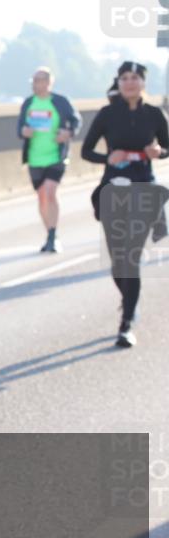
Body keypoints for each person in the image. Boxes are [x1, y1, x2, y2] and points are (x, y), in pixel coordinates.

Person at [81, 61, 169, 348]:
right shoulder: (108, 113)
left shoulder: (155, 114)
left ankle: (127, 322)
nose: (129, 82)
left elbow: (168, 148)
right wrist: (109, 158)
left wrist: (159, 151)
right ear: (118, 82)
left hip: (143, 185)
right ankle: (128, 299)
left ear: (143, 83)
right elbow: (86, 151)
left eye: (135, 78)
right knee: (118, 259)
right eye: (124, 78)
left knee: (131, 257)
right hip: (113, 188)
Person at [17, 67, 82, 253]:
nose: (36, 84)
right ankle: (49, 233)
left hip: (56, 155)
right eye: (34, 80)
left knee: (50, 191)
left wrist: (68, 133)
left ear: (48, 82)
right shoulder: (28, 103)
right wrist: (24, 131)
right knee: (42, 196)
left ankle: (53, 235)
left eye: (40, 80)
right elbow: (20, 127)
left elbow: (76, 121)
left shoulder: (60, 102)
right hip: (34, 157)